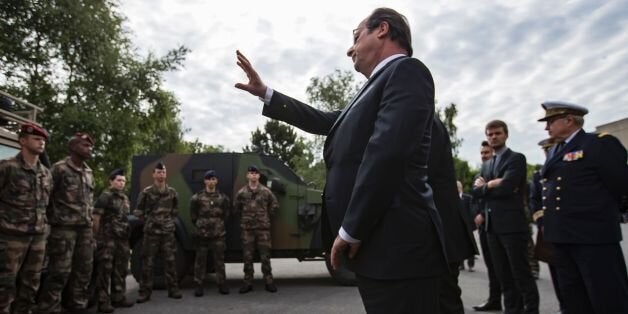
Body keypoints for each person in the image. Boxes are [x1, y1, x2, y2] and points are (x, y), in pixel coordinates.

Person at [234, 7, 448, 312]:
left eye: (356, 36)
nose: (350, 49)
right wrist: (266, 93)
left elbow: (387, 155)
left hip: (398, 246)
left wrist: (351, 228)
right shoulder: (373, 87)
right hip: (382, 245)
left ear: (382, 30)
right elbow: (325, 121)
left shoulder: (406, 71)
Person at [536, 101, 628, 314]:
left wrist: (604, 215)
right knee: (573, 298)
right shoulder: (555, 150)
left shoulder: (598, 144)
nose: (546, 127)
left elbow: (621, 185)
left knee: (607, 296)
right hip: (561, 238)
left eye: (550, 121)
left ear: (569, 120)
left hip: (593, 236)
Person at [471, 120, 539, 314]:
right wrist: (491, 185)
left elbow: (507, 188)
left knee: (521, 274)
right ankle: (512, 309)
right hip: (492, 227)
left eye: (497, 133)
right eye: (489, 134)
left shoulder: (516, 159)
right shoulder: (487, 164)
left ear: (506, 134)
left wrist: (486, 187)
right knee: (504, 276)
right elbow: (475, 192)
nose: (493, 137)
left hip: (512, 226)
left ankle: (531, 309)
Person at [37, 133, 96, 314]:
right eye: (85, 145)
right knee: (59, 271)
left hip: (84, 229)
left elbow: (89, 201)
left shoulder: (88, 172)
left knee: (84, 269)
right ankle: (50, 307)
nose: (89, 149)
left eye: (90, 146)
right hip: (64, 229)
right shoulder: (59, 169)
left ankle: (77, 304)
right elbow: (46, 196)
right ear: (73, 148)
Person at [0, 124, 52, 314]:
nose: (41, 142)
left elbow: (47, 204)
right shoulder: (7, 168)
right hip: (11, 238)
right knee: (4, 286)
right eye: (37, 139)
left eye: (43, 139)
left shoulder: (46, 174)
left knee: (30, 287)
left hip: (37, 238)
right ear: (22, 141)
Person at [428, 119, 478, 314]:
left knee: (445, 298)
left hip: (441, 231)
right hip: (439, 230)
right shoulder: (427, 121)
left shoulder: (426, 123)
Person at [134, 162, 182, 303]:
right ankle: (144, 292)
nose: (161, 175)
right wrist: (150, 221)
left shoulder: (172, 192)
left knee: (171, 261)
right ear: (153, 174)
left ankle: (173, 290)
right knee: (148, 263)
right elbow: (138, 211)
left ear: (166, 174)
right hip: (151, 233)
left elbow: (175, 211)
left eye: (163, 172)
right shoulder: (146, 192)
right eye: (158, 172)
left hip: (167, 233)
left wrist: (167, 221)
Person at [529, 138, 565, 313]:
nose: (548, 152)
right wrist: (542, 222)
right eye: (546, 150)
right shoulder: (539, 174)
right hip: (549, 229)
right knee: (556, 271)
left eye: (551, 148)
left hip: (571, 228)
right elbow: (535, 201)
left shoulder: (569, 167)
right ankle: (563, 306)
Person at [92, 169, 135, 313]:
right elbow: (96, 217)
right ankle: (103, 301)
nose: (121, 183)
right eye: (118, 180)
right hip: (107, 238)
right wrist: (97, 237)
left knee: (120, 269)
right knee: (105, 270)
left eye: (123, 181)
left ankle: (118, 297)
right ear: (111, 181)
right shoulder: (105, 196)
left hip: (122, 239)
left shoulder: (125, 198)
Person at [234, 165, 278, 294]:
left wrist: (265, 216)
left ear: (259, 176)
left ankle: (269, 282)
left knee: (265, 257)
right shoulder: (241, 193)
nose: (253, 175)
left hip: (263, 230)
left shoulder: (266, 192)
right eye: (251, 173)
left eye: (255, 173)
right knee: (247, 257)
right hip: (247, 230)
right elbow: (236, 208)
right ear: (247, 176)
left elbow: (274, 205)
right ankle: (248, 283)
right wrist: (245, 219)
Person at [471, 141, 502, 312]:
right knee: (491, 265)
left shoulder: (501, 172)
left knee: (506, 267)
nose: (484, 156)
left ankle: (517, 303)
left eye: (487, 153)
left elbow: (500, 194)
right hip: (485, 228)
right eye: (482, 153)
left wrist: (483, 212)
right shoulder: (480, 174)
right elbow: (475, 195)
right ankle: (494, 299)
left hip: (500, 224)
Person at [190, 170, 231, 296]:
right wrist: (202, 225)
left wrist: (217, 224)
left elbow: (226, 215)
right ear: (205, 181)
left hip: (218, 235)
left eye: (213, 179)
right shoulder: (197, 197)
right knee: (200, 261)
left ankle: (222, 284)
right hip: (202, 234)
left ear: (216, 181)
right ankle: (198, 285)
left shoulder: (223, 198)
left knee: (219, 260)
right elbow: (193, 216)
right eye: (209, 179)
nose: (211, 181)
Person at [457, 180, 476, 272]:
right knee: (459, 245)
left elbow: (472, 211)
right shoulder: (452, 199)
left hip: (467, 226)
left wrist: (472, 225)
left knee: (469, 244)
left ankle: (471, 265)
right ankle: (461, 264)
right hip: (458, 226)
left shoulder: (468, 198)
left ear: (460, 188)